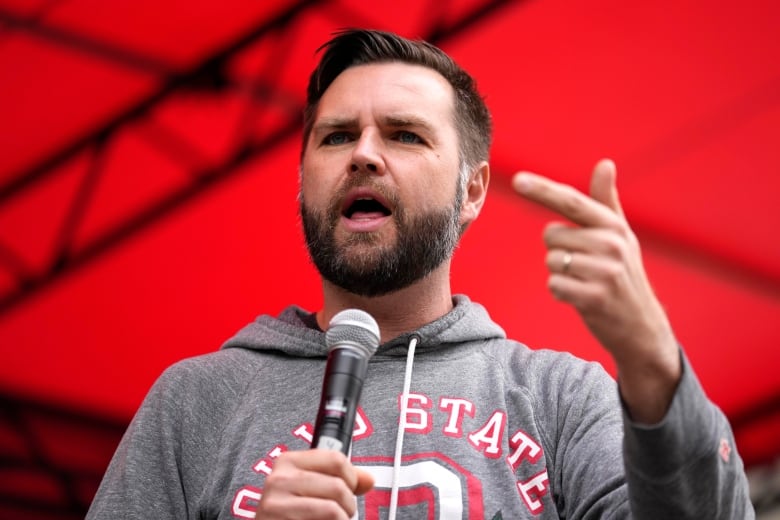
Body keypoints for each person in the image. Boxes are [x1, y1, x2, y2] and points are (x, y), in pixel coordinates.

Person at [86, 29, 754, 519]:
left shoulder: (562, 400)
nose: (365, 155)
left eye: (405, 135)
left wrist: (652, 361)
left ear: (473, 190)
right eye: (337, 136)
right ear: (302, 180)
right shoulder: (194, 403)